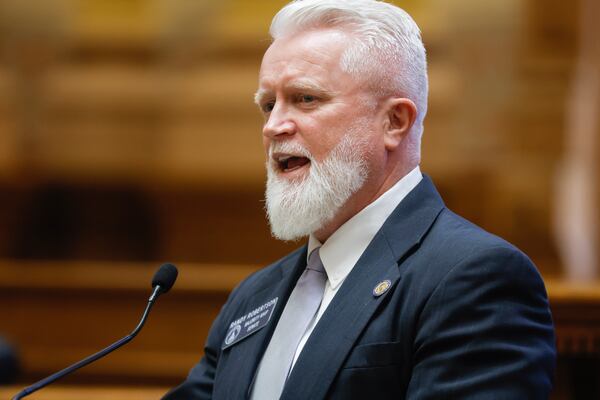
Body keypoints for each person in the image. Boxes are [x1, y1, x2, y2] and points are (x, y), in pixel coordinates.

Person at [163, 0, 556, 398]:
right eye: (268, 104)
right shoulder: (255, 296)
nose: (274, 126)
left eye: (305, 99)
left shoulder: (475, 279)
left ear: (394, 122)